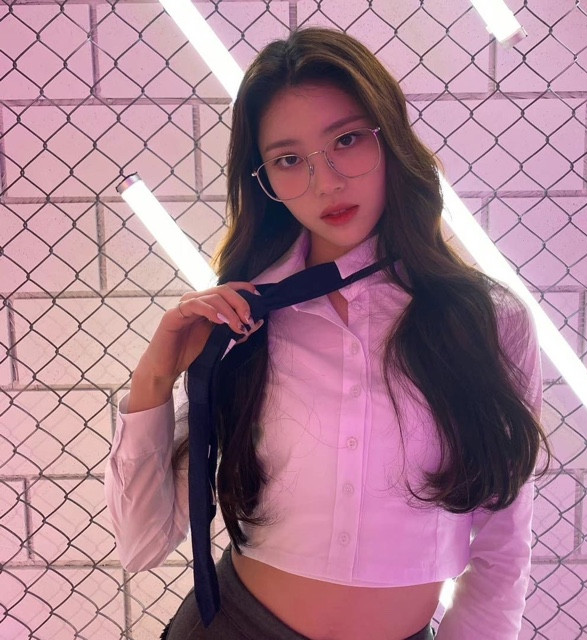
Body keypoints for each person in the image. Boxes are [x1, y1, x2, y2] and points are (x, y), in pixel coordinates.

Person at [105, 27, 548, 640]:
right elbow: (143, 542)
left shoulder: (488, 322)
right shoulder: (245, 319)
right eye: (289, 160)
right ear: (263, 178)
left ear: (390, 138)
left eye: (346, 140)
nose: (327, 182)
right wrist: (154, 378)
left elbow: (504, 539)